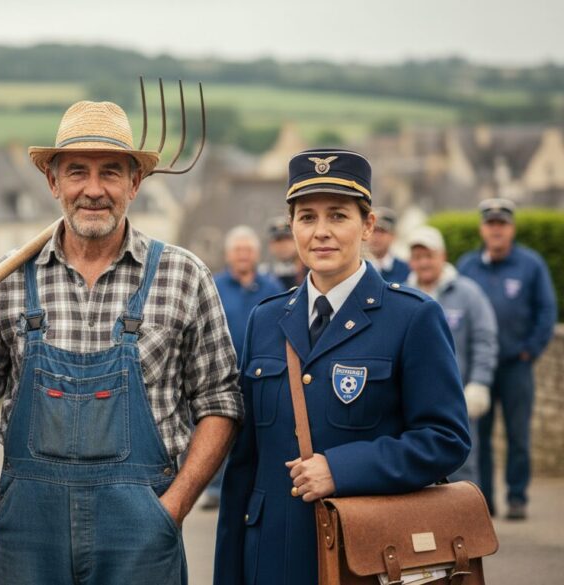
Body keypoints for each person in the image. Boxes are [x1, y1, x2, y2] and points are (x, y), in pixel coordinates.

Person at [0, 100, 244, 584]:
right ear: (53, 182)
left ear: (134, 184)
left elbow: (221, 402)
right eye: (77, 172)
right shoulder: (11, 277)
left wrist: (172, 509)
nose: (93, 190)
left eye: (111, 173)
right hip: (30, 536)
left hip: (140, 533)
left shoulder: (183, 276)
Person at [214, 149, 470, 585]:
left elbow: (445, 440)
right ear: (292, 225)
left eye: (338, 216)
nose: (321, 232)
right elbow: (244, 465)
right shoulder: (265, 319)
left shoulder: (412, 317)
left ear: (367, 226)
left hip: (368, 560)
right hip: (271, 559)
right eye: (307, 218)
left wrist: (343, 468)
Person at [457, 198, 557, 520]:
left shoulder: (531, 264)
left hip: (516, 364)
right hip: (478, 369)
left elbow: (546, 310)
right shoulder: (468, 266)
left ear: (511, 229)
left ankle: (517, 497)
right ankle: (483, 500)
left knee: (518, 435)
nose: (496, 230)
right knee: (477, 437)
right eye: (491, 224)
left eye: (502, 224)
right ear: (482, 228)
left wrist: (531, 349)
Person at [406, 225, 498, 484]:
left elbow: (485, 339)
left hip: (458, 398)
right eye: (417, 256)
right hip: (413, 399)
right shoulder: (402, 295)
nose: (423, 262)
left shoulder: (468, 293)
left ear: (442, 256)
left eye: (429, 255)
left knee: (462, 469)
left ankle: (468, 523)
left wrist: (479, 383)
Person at [203, 226, 283, 510]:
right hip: (221, 372)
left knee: (258, 430)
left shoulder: (271, 286)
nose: (243, 255)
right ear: (228, 255)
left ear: (256, 254)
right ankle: (215, 488)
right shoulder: (214, 285)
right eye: (238, 250)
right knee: (219, 427)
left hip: (261, 372)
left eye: (248, 250)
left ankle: (255, 484)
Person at [368, 206, 409, 283]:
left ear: (393, 236)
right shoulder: (358, 267)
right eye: (374, 231)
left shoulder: (405, 270)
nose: (377, 237)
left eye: (382, 231)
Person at [264, 216, 304, 289]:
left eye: (287, 239)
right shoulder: (264, 276)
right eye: (278, 240)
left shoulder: (311, 272)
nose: (283, 245)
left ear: (296, 241)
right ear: (271, 245)